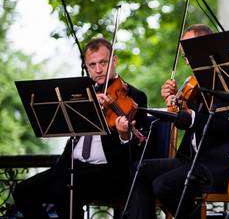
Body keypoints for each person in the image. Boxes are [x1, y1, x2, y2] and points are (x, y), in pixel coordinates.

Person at [125, 24, 229, 219]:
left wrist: (190, 116)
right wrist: (173, 105)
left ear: (205, 49)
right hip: (191, 159)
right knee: (139, 169)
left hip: (219, 162)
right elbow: (185, 120)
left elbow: (227, 125)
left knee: (163, 185)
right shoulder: (194, 85)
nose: (187, 63)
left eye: (189, 55)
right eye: (185, 57)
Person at [13, 38, 148, 218]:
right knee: (22, 191)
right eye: (92, 65)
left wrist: (124, 135)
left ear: (114, 61)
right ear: (86, 66)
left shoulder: (134, 97)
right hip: (72, 166)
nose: (98, 70)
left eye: (103, 63)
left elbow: (136, 150)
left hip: (108, 171)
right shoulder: (80, 93)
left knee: (63, 189)